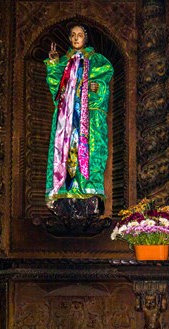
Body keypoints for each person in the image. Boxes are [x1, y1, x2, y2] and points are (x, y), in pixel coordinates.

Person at [44, 24, 114, 212]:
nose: (76, 39)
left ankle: (88, 191)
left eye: (80, 35)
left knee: (89, 151)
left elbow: (103, 86)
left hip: (88, 118)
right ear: (69, 38)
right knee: (66, 151)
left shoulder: (98, 61)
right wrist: (53, 64)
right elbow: (56, 90)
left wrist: (95, 88)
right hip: (66, 119)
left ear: (86, 38)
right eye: (73, 35)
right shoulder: (63, 62)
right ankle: (66, 192)